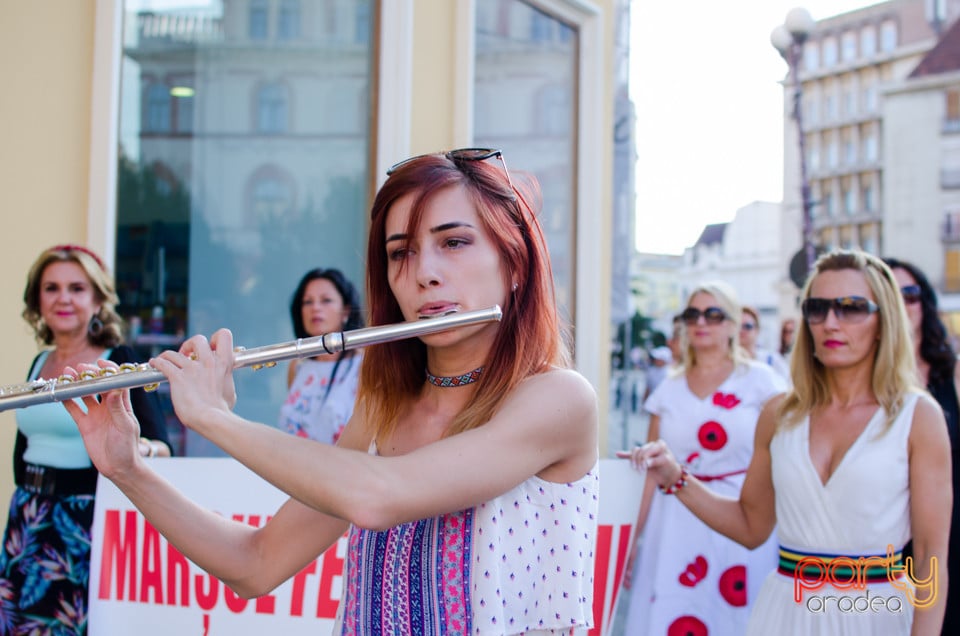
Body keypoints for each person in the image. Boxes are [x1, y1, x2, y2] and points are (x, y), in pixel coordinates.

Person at [64, 148, 600, 633]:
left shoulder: (558, 401)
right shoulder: (383, 408)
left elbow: (378, 496)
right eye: (401, 252)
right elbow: (256, 564)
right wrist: (127, 468)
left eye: (454, 242)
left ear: (515, 263)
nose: (425, 273)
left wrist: (215, 418)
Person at [622, 250, 951, 634]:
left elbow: (930, 558)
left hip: (875, 611)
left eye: (851, 307)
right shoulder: (780, 414)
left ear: (884, 321)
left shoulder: (917, 417)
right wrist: (676, 477)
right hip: (785, 614)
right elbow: (751, 526)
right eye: (817, 307)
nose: (830, 322)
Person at [0, 244, 172, 635]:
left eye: (76, 288)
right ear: (37, 300)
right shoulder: (38, 362)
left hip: (86, 522)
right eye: (51, 288)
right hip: (27, 518)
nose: (63, 298)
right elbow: (24, 449)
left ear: (97, 301)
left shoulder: (118, 358)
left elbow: (163, 444)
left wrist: (136, 450)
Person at [621, 281, 786, 635]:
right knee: (676, 609)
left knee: (733, 615)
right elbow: (650, 471)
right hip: (675, 520)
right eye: (692, 314)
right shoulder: (668, 388)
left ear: (732, 324)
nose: (701, 322)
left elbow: (783, 458)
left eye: (713, 314)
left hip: (740, 513)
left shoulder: (762, 382)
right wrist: (632, 537)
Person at [884, 256, 960, 633]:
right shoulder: (859, 387)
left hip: (950, 536)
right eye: (889, 294)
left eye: (909, 294)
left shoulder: (953, 374)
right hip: (884, 544)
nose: (900, 303)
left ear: (925, 303)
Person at [279, 268, 364, 443]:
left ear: (346, 311)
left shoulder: (364, 365)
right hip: (292, 467)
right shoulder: (298, 366)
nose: (315, 308)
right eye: (307, 302)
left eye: (326, 300)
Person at [740, 305, 791, 383]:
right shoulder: (725, 363)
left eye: (748, 326)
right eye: (739, 326)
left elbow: (788, 386)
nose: (742, 330)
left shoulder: (772, 360)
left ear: (757, 329)